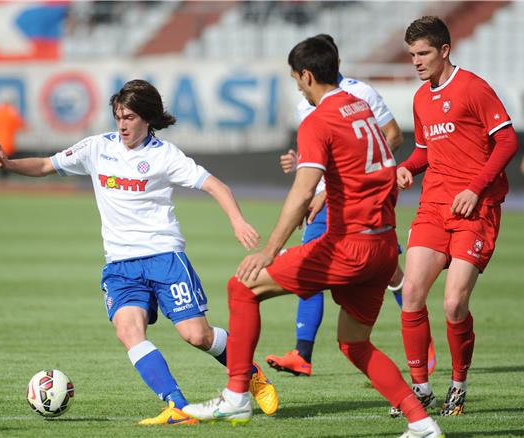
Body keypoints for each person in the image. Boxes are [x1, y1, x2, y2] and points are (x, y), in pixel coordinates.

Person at [183, 36, 444, 438]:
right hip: (382, 248)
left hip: (349, 245)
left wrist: (269, 250)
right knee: (354, 344)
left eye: (296, 81)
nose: (298, 88)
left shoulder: (318, 120)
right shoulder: (361, 107)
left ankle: (236, 397)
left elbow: (303, 190)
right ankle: (422, 424)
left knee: (242, 287)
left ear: (307, 75)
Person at [0, 79, 279, 425]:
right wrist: (9, 164)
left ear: (148, 119)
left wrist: (238, 222)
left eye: (130, 117)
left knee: (196, 336)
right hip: (120, 265)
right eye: (118, 116)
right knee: (129, 332)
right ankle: (177, 406)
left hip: (164, 258)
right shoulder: (97, 147)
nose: (122, 124)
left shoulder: (164, 155)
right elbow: (48, 165)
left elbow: (215, 185)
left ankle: (251, 373)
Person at [265, 34, 436, 379]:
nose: (298, 83)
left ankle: (424, 347)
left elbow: (391, 135)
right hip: (325, 197)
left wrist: (336, 184)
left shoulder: (362, 94)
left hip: (357, 199)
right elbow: (327, 148)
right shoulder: (308, 102)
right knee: (309, 265)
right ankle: (302, 353)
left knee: (388, 272)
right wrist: (303, 163)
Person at [397, 16, 518, 417]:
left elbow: (507, 139)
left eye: (423, 53)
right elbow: (426, 151)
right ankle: (421, 389)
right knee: (412, 292)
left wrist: (475, 187)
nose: (416, 61)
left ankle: (458, 385)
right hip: (433, 206)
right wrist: (407, 168)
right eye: (412, 54)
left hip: (476, 209)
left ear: (444, 50)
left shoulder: (473, 88)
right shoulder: (420, 98)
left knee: (453, 304)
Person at [0, 94, 26, 176]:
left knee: (1, 165)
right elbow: (20, 124)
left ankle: (2, 182)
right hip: (8, 142)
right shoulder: (12, 112)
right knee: (8, 165)